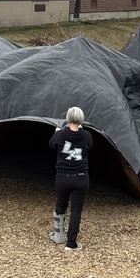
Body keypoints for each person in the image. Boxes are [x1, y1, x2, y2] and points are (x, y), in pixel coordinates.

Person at [48, 106, 93, 252]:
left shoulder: (60, 135)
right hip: (80, 177)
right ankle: (71, 243)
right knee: (76, 210)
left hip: (62, 177)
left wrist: (58, 132)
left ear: (67, 118)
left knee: (61, 206)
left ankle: (58, 235)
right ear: (81, 120)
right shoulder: (87, 136)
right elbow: (89, 146)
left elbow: (51, 144)